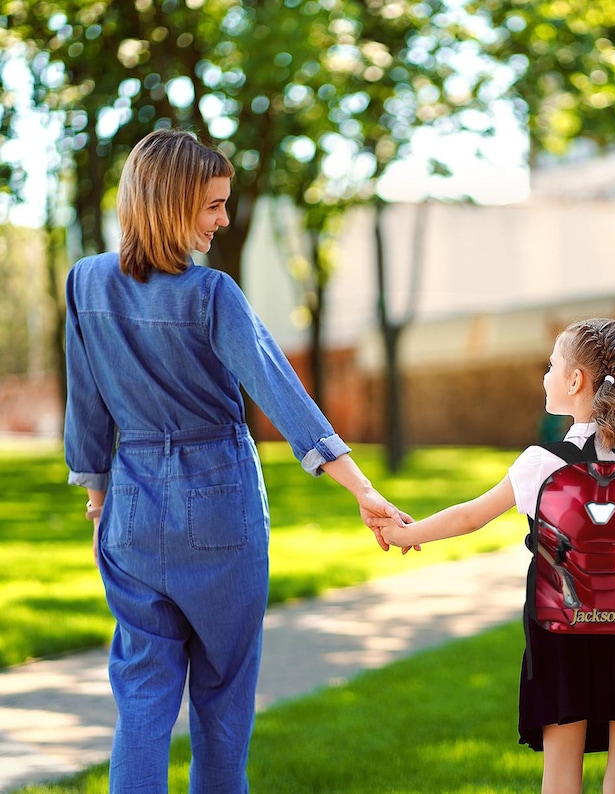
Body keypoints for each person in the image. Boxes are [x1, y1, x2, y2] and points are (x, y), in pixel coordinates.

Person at [63, 128, 410, 794]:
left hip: (130, 512)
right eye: (213, 205)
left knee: (141, 699)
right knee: (222, 700)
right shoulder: (210, 293)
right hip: (217, 502)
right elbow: (282, 391)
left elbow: (87, 407)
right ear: (169, 202)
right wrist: (361, 488)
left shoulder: (85, 282)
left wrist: (101, 500)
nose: (224, 220)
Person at [370, 318, 615, 794]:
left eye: (551, 364)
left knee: (560, 777)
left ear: (575, 380)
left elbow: (470, 517)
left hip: (560, 638)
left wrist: (406, 534)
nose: (545, 375)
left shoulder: (541, 465)